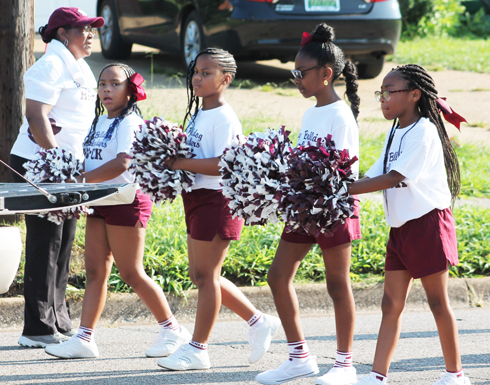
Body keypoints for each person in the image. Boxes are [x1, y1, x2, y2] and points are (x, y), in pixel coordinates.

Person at [43, 63, 191, 359]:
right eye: (102, 84)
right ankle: (85, 339)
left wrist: (79, 180)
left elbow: (123, 163)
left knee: (131, 272)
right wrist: (62, 174)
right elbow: (93, 162)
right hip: (100, 200)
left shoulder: (130, 123)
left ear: (130, 90)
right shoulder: (99, 121)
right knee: (95, 270)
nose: (106, 90)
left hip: (126, 200)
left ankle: (172, 329)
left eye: (114, 84)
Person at [156, 48, 280, 371]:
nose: (197, 77)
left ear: (225, 79)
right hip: (196, 198)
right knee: (199, 275)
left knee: (207, 276)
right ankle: (258, 321)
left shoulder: (225, 117)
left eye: (206, 73)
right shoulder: (200, 112)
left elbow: (225, 164)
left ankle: (198, 349)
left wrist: (179, 162)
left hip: (218, 200)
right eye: (196, 71)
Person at [349, 64, 470, 385]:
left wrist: (343, 189)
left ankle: (455, 375)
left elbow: (394, 177)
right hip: (401, 229)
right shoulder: (396, 130)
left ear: (414, 95)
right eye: (380, 92)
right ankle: (376, 375)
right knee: (391, 303)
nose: (383, 98)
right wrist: (337, 182)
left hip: (428, 224)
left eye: (390, 92)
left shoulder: (424, 131)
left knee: (437, 302)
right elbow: (376, 172)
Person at [256, 24, 361, 385]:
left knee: (337, 283)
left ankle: (345, 364)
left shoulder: (338, 114)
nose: (296, 79)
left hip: (333, 208)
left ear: (326, 74)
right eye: (293, 73)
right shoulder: (312, 112)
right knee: (277, 276)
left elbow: (342, 172)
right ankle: (299, 356)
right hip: (304, 207)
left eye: (301, 73)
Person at [10, 7, 104, 348]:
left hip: (66, 166)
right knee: (45, 244)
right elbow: (36, 117)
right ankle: (36, 329)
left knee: (63, 243)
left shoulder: (80, 67)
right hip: (42, 163)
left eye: (93, 29)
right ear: (63, 33)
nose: (91, 34)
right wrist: (55, 161)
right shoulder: (50, 64)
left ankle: (58, 321)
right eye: (83, 29)